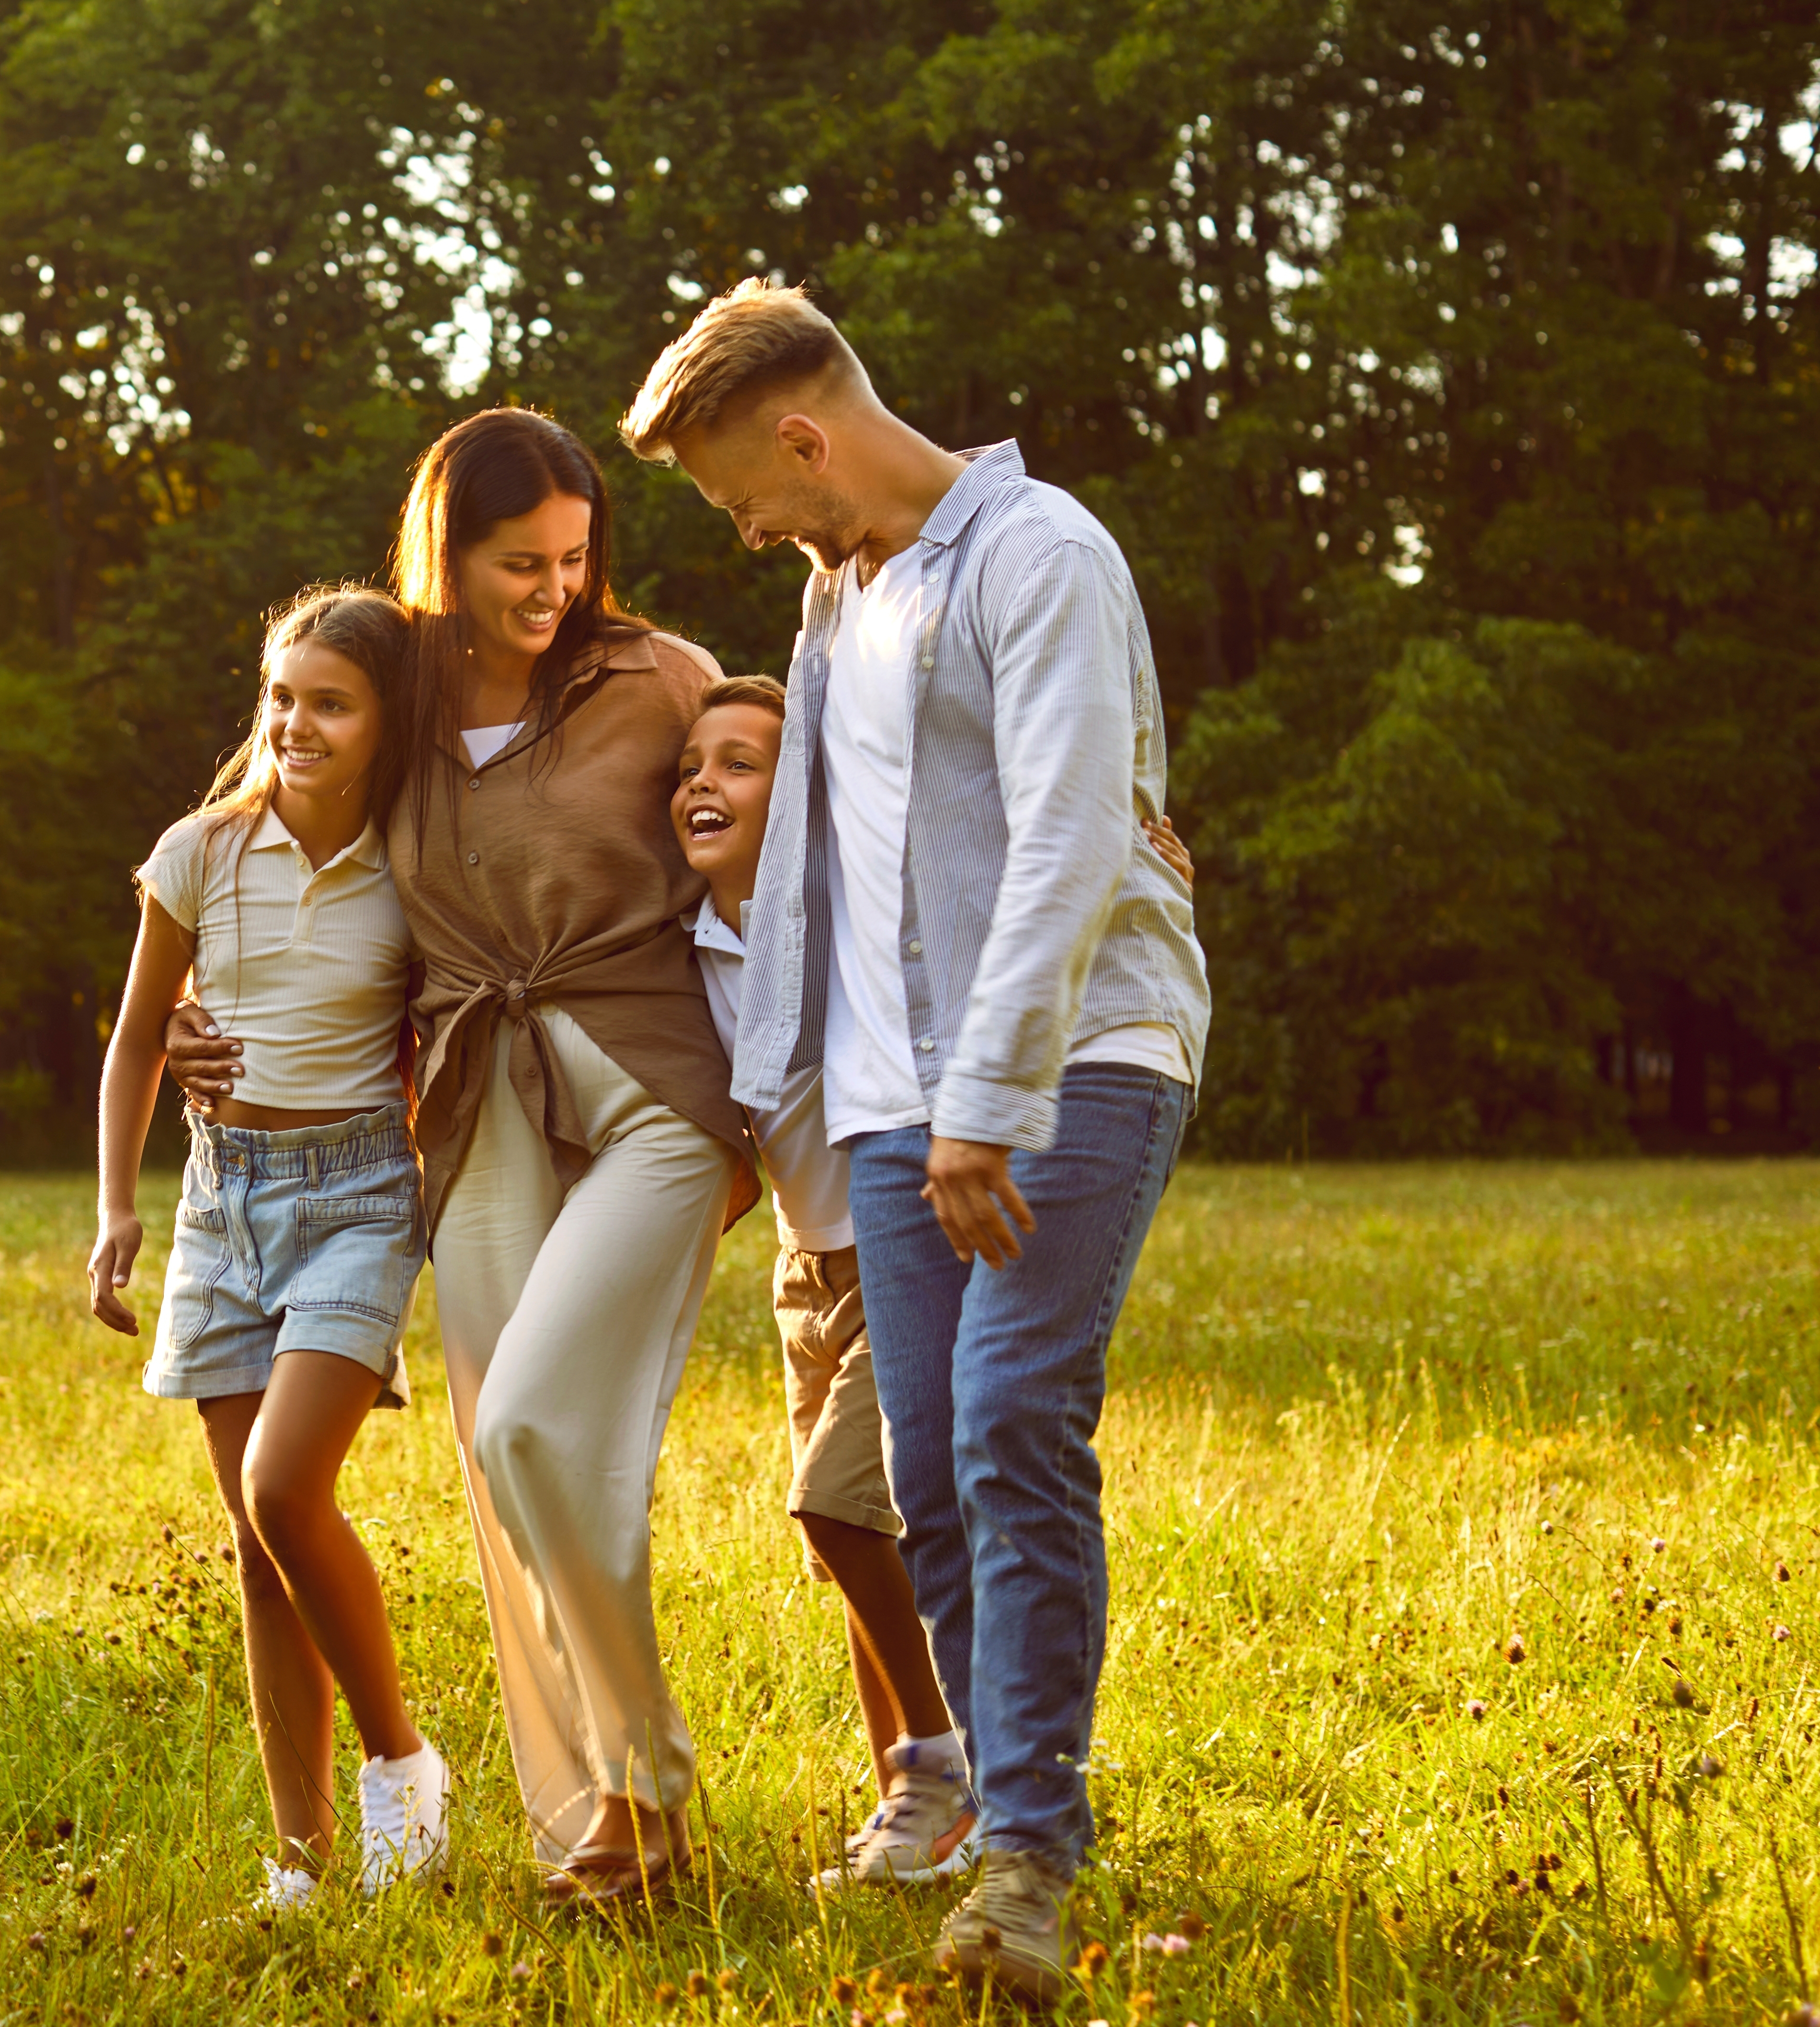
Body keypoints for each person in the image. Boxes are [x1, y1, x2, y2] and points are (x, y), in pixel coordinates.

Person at [623, 281, 1211, 2001]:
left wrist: (986, 1099)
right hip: (889, 1102)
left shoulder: (1040, 557)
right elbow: (809, 863)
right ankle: (991, 1818)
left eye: (741, 493)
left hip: (1070, 1060)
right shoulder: (833, 603)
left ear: (804, 435)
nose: (745, 530)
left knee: (1015, 1417)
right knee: (926, 1473)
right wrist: (783, 1082)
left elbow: (1068, 838)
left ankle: (1028, 1857)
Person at [171, 409, 759, 1907]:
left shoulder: (653, 677)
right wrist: (197, 1013)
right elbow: (264, 827)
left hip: (648, 1088)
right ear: (449, 549)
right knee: (514, 1484)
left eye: (573, 558)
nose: (551, 588)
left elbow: (783, 824)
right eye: (518, 562)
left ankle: (650, 1789)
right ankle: (603, 1835)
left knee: (541, 1432)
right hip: (474, 1101)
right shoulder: (396, 693)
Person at [671, 675, 1194, 1898]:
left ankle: (952, 1779)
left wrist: (1140, 867)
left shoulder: (851, 901)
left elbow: (995, 863)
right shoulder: (683, 944)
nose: (706, 782)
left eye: (742, 763)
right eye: (691, 765)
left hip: (905, 1232)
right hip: (807, 1267)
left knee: (844, 1505)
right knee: (871, 1536)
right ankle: (915, 1800)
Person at [87, 587, 452, 1912]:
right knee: (255, 1542)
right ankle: (296, 1855)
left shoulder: (419, 860)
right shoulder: (198, 851)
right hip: (220, 1203)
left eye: (331, 702)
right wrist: (118, 1209)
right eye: (282, 696)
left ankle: (401, 1769)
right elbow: (136, 1035)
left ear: (384, 720)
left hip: (358, 1192)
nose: (296, 723)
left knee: (286, 1492)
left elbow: (464, 1026)